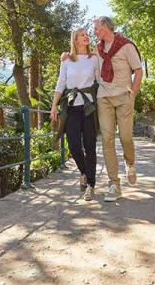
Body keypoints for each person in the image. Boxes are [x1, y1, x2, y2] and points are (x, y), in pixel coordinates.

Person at [61, 16, 143, 202]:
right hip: (103, 98)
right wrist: (65, 56)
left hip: (124, 97)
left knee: (125, 137)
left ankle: (130, 163)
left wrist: (133, 94)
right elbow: (81, 58)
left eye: (97, 29)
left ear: (105, 28)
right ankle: (114, 184)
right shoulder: (97, 51)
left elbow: (138, 71)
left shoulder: (126, 46)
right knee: (107, 139)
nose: (94, 33)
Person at [51, 28, 99, 201]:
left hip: (89, 108)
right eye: (82, 35)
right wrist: (54, 106)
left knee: (90, 146)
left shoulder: (94, 58)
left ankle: (91, 185)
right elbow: (60, 83)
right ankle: (84, 173)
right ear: (75, 39)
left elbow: (100, 79)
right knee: (73, 146)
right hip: (71, 107)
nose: (86, 37)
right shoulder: (66, 60)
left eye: (87, 34)